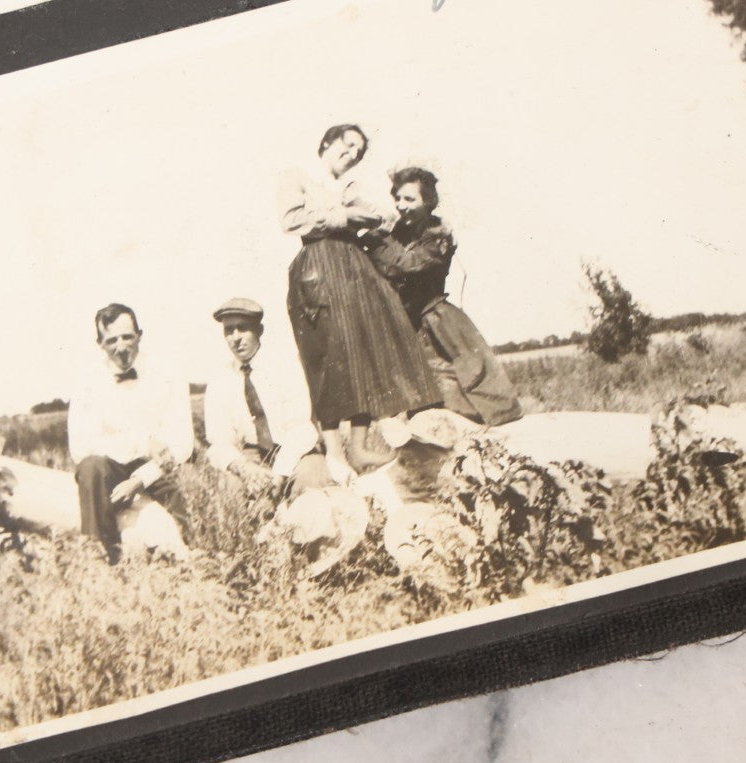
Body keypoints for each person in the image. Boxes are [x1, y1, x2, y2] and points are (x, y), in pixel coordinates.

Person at [278, 124, 441, 482]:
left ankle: (360, 445)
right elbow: (291, 221)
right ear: (327, 142)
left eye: (359, 152)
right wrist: (343, 217)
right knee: (331, 355)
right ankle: (335, 452)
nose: (352, 154)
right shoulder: (299, 176)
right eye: (347, 145)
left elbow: (385, 216)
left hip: (353, 266)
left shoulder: (349, 188)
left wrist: (366, 214)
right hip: (318, 266)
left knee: (366, 346)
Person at [367, 166, 523, 426]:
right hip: (410, 326)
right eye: (397, 198)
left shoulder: (438, 236)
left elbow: (407, 264)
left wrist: (376, 241)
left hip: (439, 320)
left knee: (471, 381)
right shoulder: (396, 234)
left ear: (428, 202)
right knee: (427, 397)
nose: (401, 205)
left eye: (410, 199)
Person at [67, 303, 195, 563]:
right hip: (109, 470)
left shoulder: (167, 373)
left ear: (140, 336)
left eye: (127, 337)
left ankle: (180, 563)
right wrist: (142, 442)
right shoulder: (87, 381)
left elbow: (182, 443)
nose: (121, 346)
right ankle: (99, 559)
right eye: (111, 340)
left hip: (158, 470)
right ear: (100, 344)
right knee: (91, 468)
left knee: (180, 527)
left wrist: (139, 479)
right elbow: (80, 448)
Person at [203, 297, 332, 501]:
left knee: (311, 481)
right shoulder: (220, 381)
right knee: (228, 491)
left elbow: (300, 429)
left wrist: (279, 474)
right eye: (229, 330)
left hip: (295, 453)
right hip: (252, 460)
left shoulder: (284, 365)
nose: (235, 338)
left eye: (242, 328)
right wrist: (245, 469)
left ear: (259, 330)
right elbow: (219, 442)